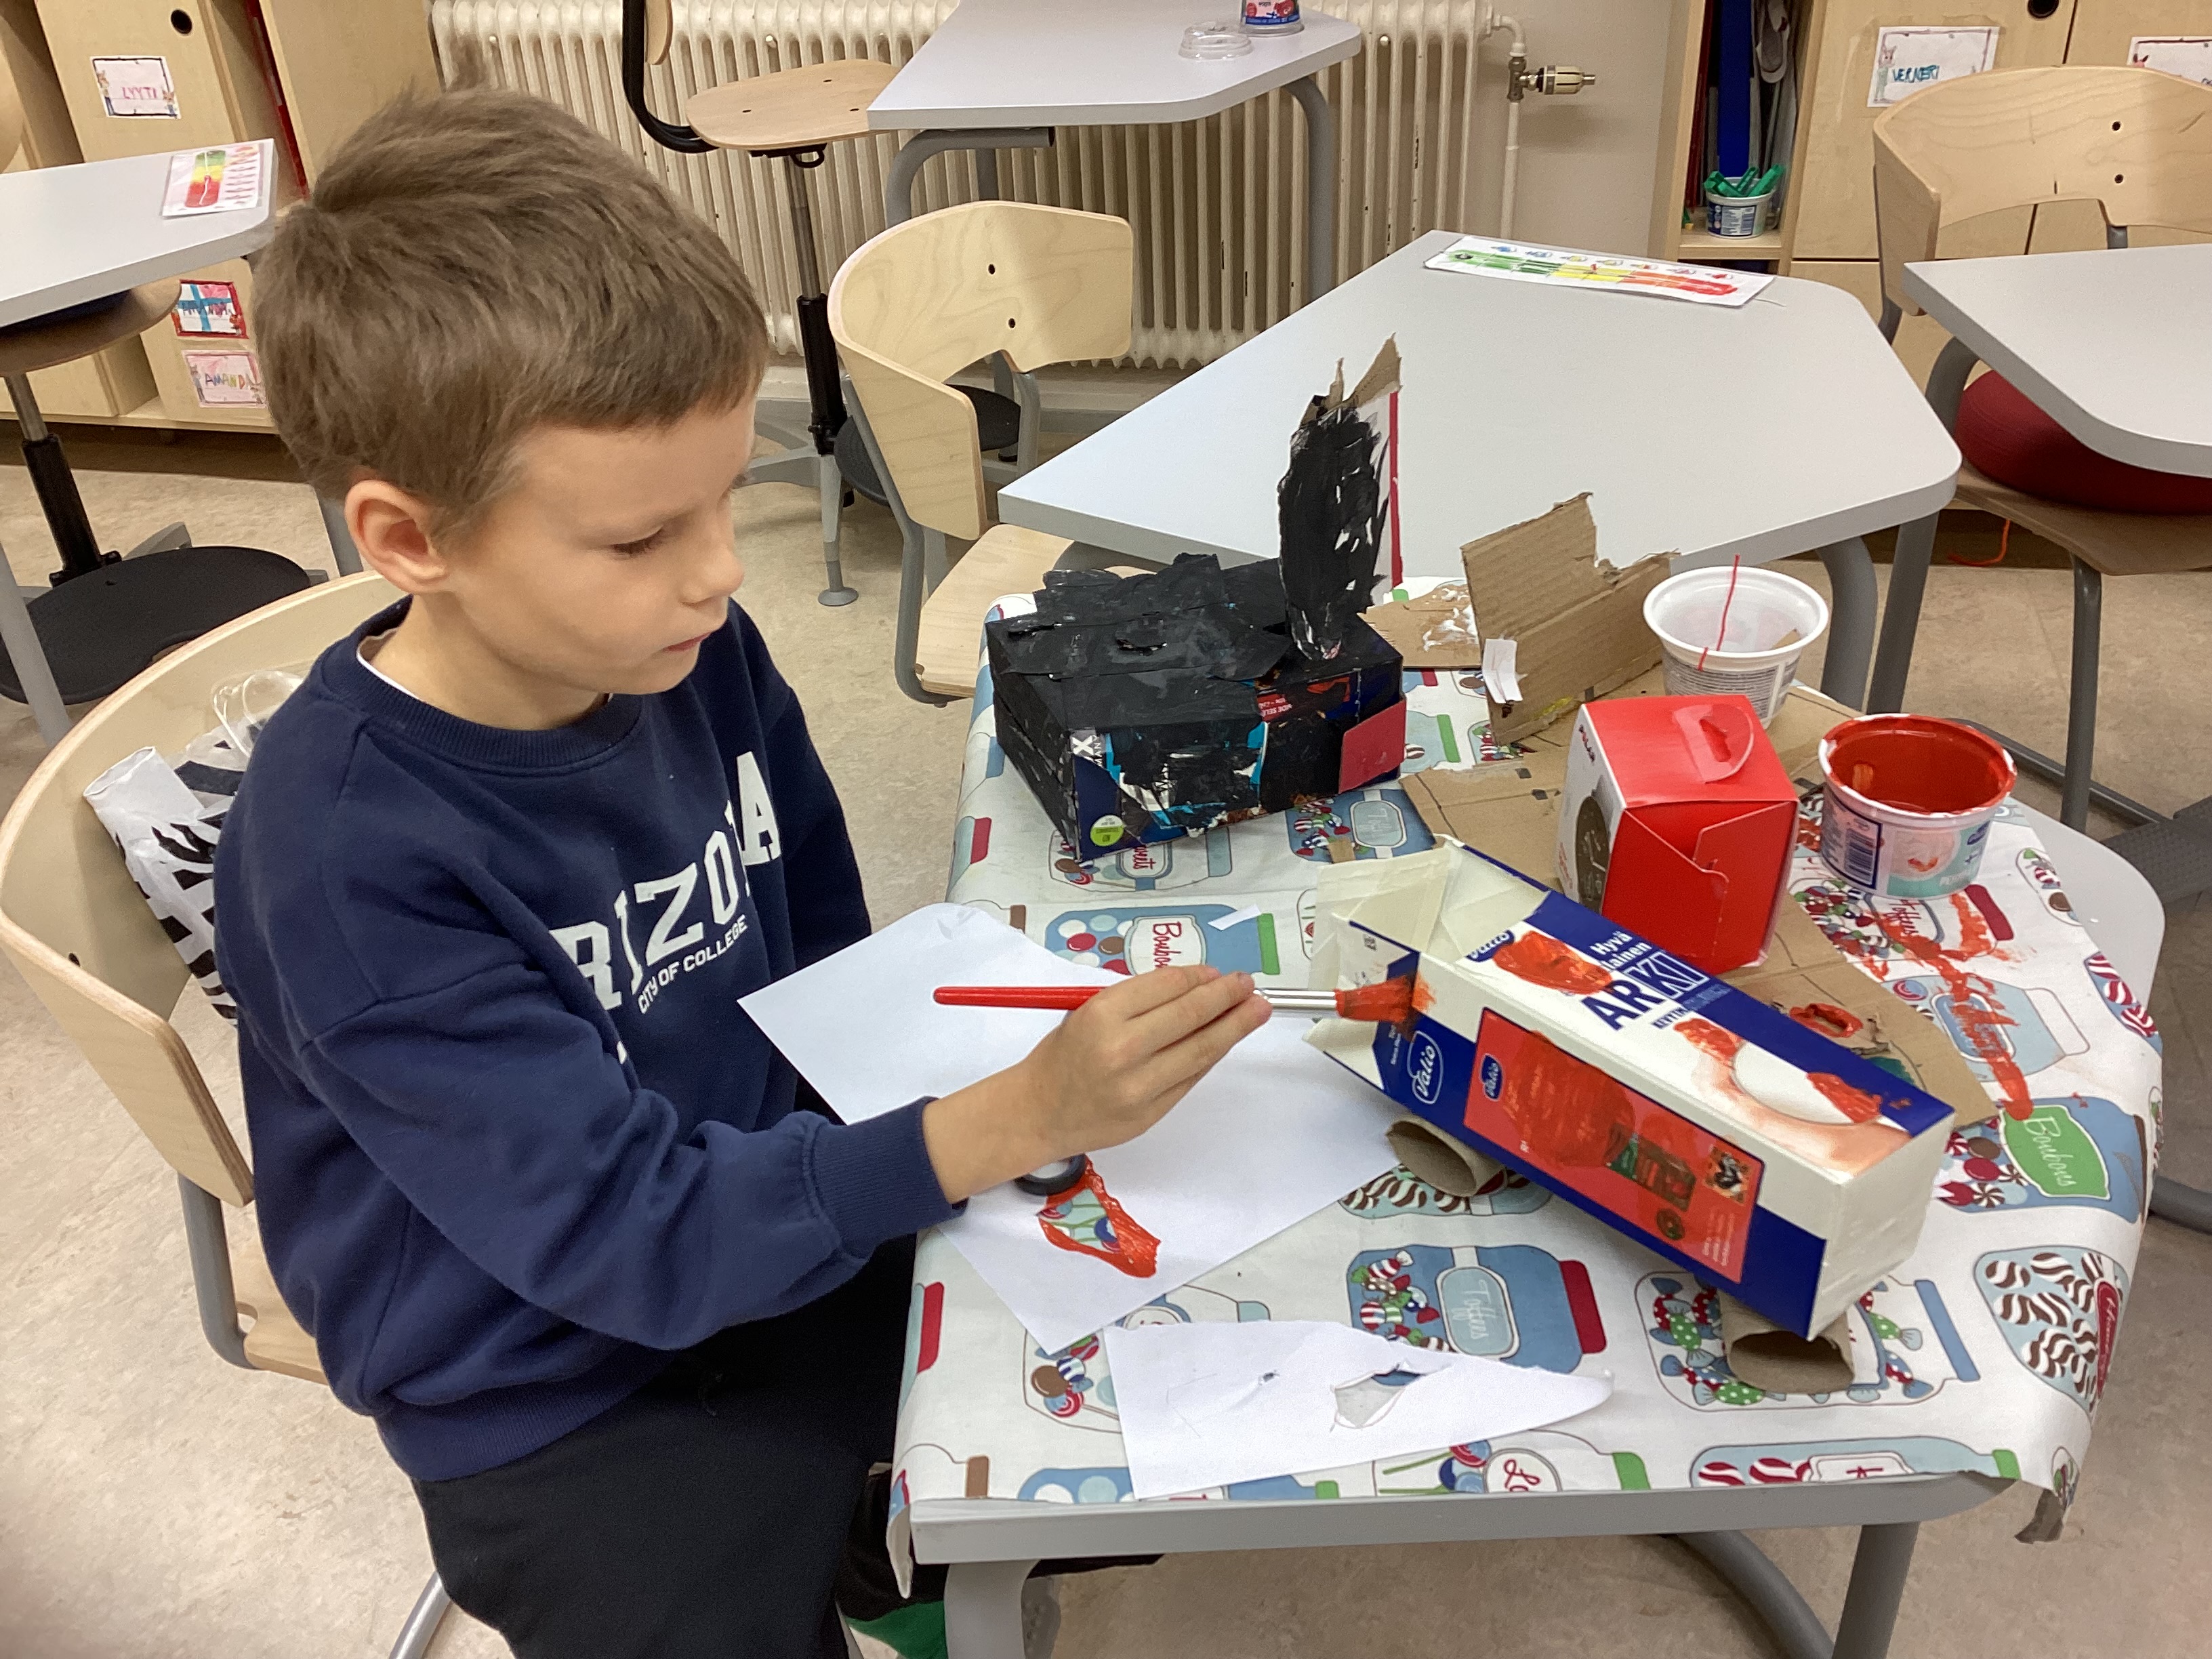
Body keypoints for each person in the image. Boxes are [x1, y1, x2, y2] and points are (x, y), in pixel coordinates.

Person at [214, 88, 1268, 1659]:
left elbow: (818, 936)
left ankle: (881, 1540)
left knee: (1155, 1402)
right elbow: (625, 1239)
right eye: (641, 538)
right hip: (549, 1388)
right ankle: (859, 1539)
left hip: (756, 1199)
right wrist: (1012, 1117)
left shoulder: (681, 648)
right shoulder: (343, 863)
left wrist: (956, 1104)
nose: (717, 573)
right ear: (412, 539)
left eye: (721, 502)